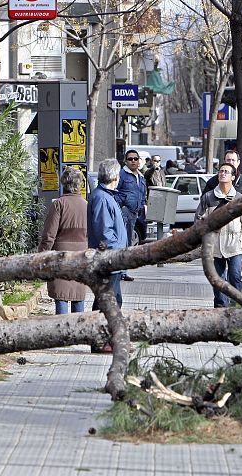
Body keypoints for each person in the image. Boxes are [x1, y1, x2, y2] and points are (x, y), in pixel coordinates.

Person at [195, 163, 242, 308]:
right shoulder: (208, 197)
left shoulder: (240, 198)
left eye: (226, 172)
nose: (223, 174)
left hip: (235, 245)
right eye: (221, 171)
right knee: (218, 279)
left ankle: (237, 308)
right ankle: (220, 309)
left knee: (235, 277)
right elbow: (199, 221)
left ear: (233, 177)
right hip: (214, 246)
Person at [88, 158, 128, 353]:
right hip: (108, 259)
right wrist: (117, 252)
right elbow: (105, 232)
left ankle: (108, 339)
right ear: (115, 176)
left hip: (112, 259)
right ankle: (99, 340)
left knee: (113, 301)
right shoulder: (102, 198)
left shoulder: (105, 196)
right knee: (106, 302)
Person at [38, 166, 88, 314]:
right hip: (81, 254)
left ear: (63, 183)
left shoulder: (58, 204)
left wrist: (42, 254)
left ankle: (62, 332)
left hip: (60, 254)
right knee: (78, 295)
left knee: (61, 295)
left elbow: (49, 234)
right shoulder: (87, 205)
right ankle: (78, 331)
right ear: (79, 184)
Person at [114, 149, 146, 281]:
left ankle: (123, 271)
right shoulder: (122, 174)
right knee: (121, 241)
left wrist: (142, 206)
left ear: (139, 161)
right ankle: (119, 271)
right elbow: (114, 191)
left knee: (128, 242)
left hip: (134, 213)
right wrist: (120, 206)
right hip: (124, 212)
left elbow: (143, 194)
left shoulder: (141, 176)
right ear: (125, 161)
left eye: (135, 159)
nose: (133, 161)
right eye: (130, 159)